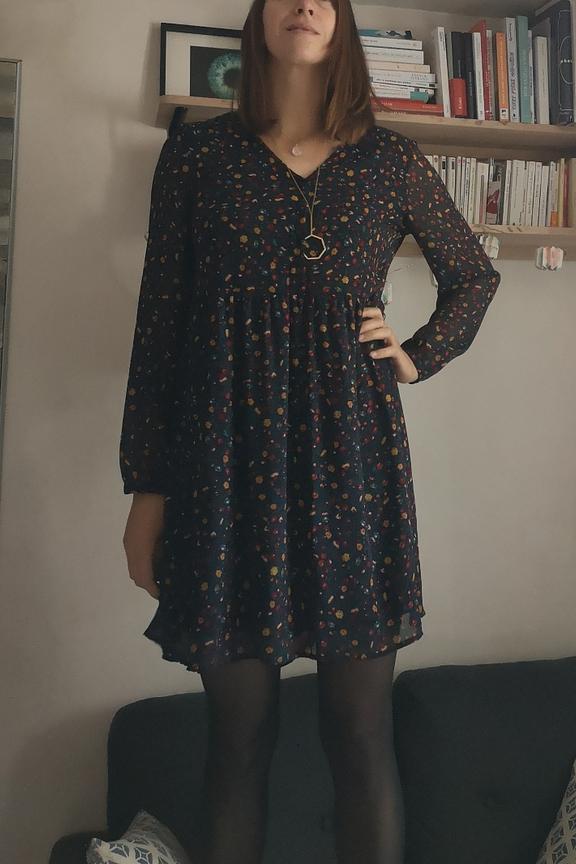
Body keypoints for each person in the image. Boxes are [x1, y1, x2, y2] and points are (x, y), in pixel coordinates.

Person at [120, 1, 501, 862]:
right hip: (222, 469)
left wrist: (416, 356)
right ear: (257, 22)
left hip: (351, 466)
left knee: (359, 734)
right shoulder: (197, 157)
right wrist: (146, 490)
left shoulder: (390, 160)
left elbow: (473, 278)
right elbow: (160, 328)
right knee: (238, 740)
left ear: (343, 27)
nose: (304, 4)